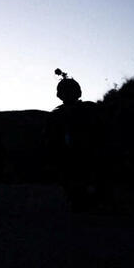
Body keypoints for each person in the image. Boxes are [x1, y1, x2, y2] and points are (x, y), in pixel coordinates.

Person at [46, 70, 103, 211]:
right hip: (68, 155)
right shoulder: (57, 115)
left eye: (70, 90)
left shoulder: (89, 109)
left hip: (86, 152)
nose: (68, 94)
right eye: (65, 91)